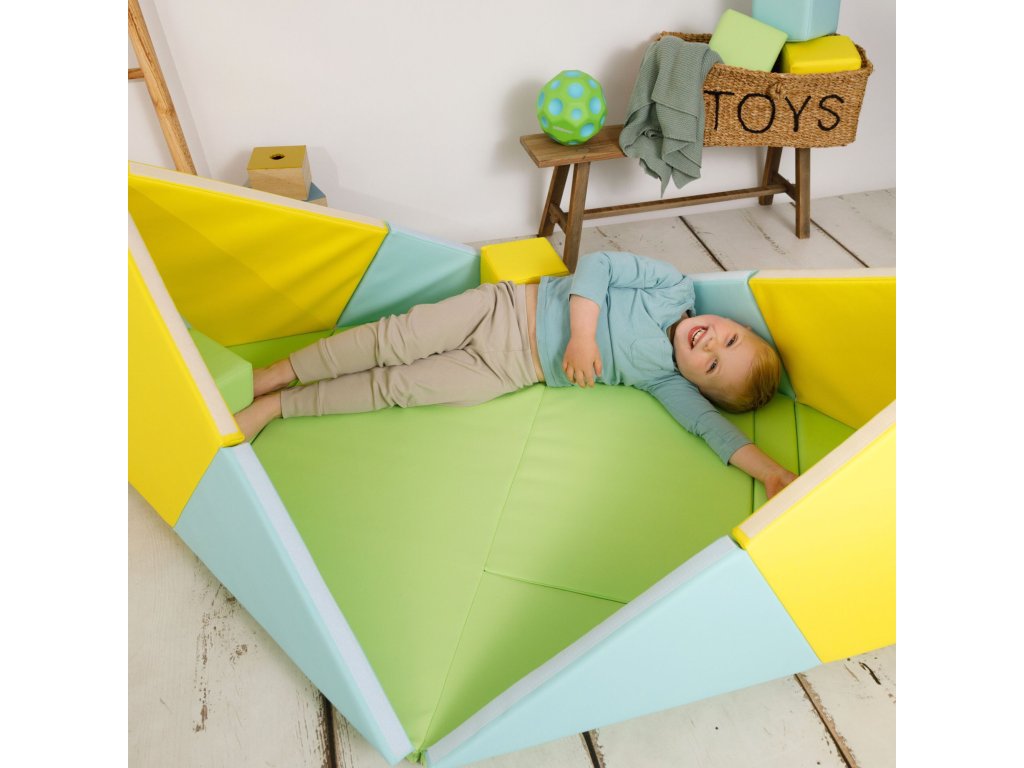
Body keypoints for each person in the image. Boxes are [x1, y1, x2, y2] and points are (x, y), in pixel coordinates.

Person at [235, 251, 798, 497]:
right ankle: (279, 373)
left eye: (714, 365)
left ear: (698, 384)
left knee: (399, 387)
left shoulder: (665, 380)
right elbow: (599, 264)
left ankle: (281, 406)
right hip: (503, 309)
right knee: (393, 340)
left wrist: (771, 473)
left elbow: (710, 429)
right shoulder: (673, 286)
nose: (711, 343)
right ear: (735, 322)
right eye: (730, 338)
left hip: (508, 369)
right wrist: (581, 336)